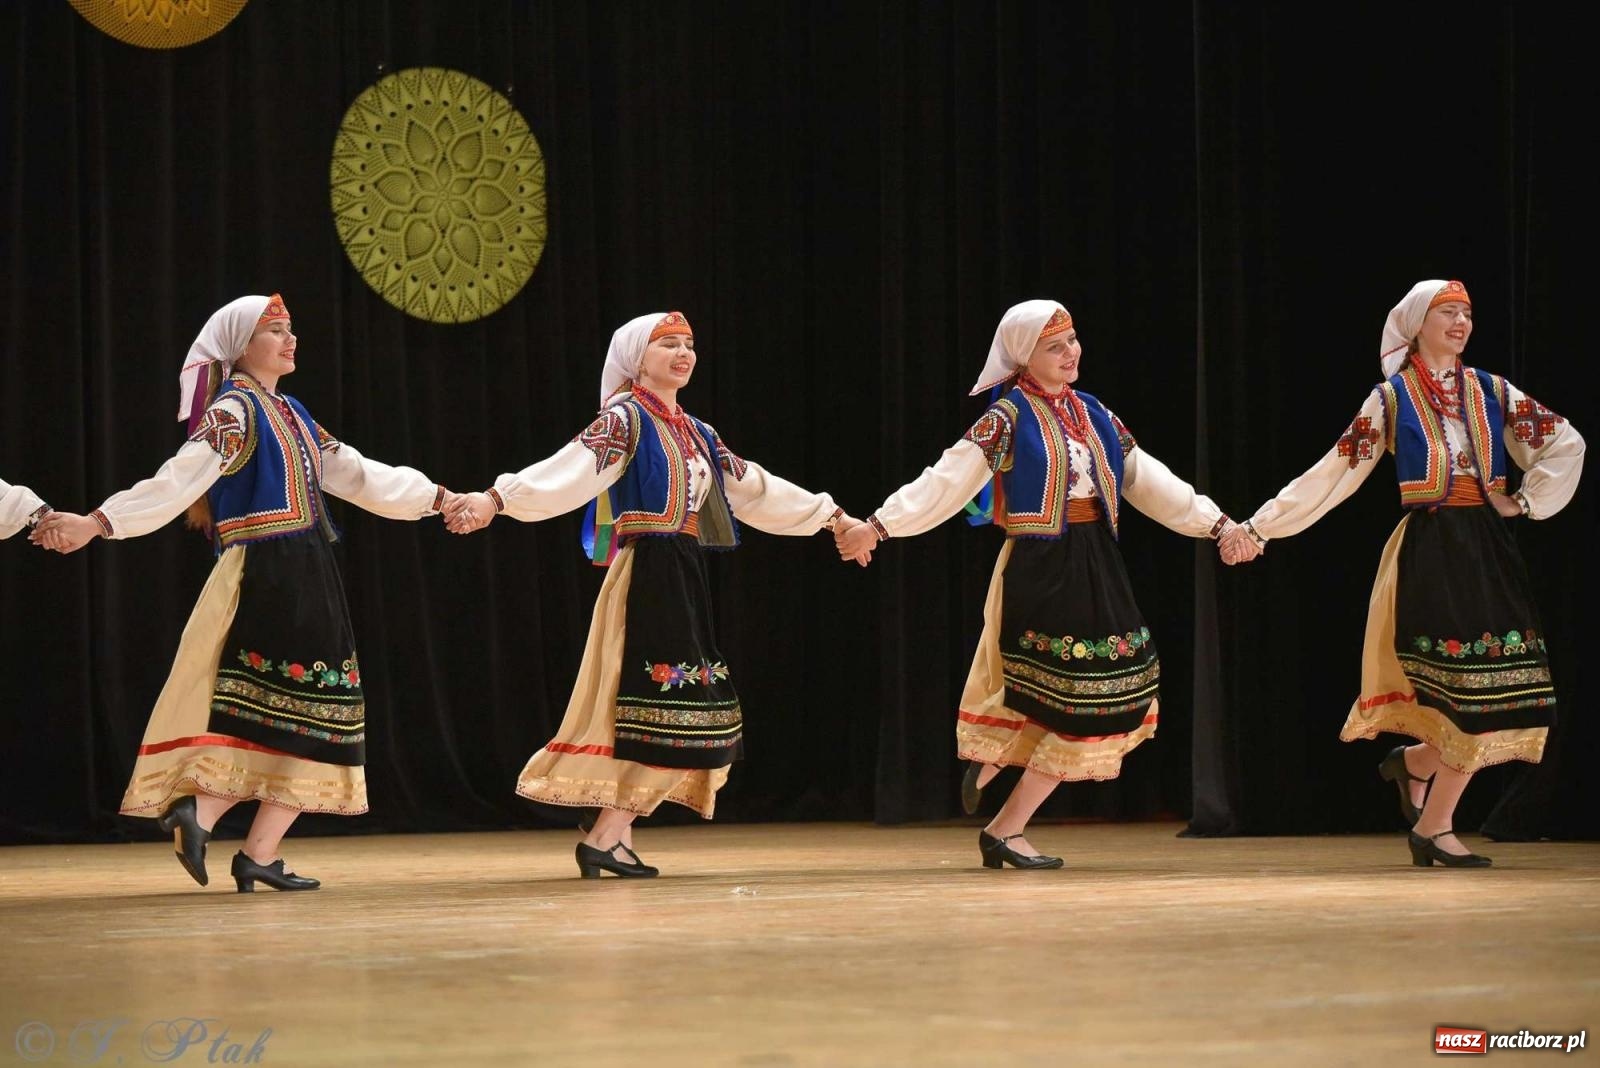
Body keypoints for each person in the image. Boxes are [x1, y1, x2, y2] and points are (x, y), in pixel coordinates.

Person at [33, 294, 454, 891]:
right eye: (276, 331)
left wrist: (437, 499)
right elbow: (178, 480)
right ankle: (203, 814)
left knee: (311, 714)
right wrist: (98, 522)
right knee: (313, 710)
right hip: (272, 573)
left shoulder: (293, 413)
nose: (291, 340)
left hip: (305, 571)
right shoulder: (234, 411)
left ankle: (253, 849)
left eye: (292, 330)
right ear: (240, 348)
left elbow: (358, 474)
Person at [445, 311, 862, 878]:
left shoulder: (697, 431)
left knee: (662, 712)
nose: (683, 352)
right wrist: (499, 498)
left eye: (689, 344)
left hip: (682, 571)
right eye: (668, 344)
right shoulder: (625, 419)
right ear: (638, 358)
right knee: (674, 711)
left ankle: (612, 837)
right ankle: (605, 836)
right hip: (648, 574)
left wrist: (830, 517)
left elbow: (753, 488)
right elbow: (567, 471)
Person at [836, 299, 1235, 869]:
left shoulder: (1094, 412)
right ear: (1026, 356)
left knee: (1114, 692)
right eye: (1055, 346)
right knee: (1084, 699)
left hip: (1097, 558)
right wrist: (880, 525)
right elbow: (948, 479)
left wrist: (1215, 523)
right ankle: (1006, 823)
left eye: (1073, 341)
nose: (1071, 353)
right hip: (1042, 565)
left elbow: (1147, 480)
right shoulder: (1007, 418)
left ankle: (1000, 787)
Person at [1221, 279, 1584, 867]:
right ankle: (1435, 827)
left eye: (1467, 312)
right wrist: (1261, 527)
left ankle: (1413, 765)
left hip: (1487, 547)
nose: (1461, 322)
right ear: (1418, 323)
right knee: (1468, 696)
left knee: (1501, 687)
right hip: (1431, 552)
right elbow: (1335, 470)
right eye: (1448, 312)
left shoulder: (1493, 391)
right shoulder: (1391, 400)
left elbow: (1565, 442)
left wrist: (1527, 501)